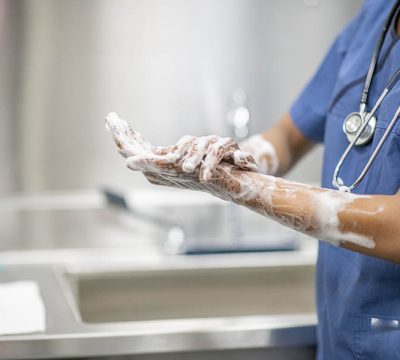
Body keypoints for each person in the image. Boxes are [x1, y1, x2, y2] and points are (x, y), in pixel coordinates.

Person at [106, 0, 400, 358]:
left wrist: (241, 186)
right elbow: (287, 138)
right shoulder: (376, 18)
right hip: (339, 340)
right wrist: (222, 159)